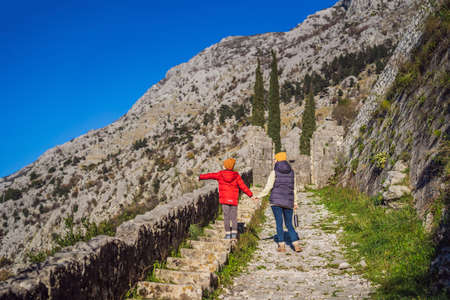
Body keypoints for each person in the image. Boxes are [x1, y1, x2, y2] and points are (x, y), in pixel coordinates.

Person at [199, 158, 257, 239]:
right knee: (233, 217)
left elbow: (210, 175)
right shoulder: (236, 176)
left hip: (224, 200)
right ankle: (234, 234)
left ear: (225, 166)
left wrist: (200, 177)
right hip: (233, 200)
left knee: (226, 216)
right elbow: (243, 187)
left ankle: (227, 234)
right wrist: (251, 195)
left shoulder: (220, 174)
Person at [256, 152, 302, 252]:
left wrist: (259, 196)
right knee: (289, 224)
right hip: (288, 201)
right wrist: (295, 202)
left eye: (275, 159)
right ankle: (296, 244)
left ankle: (281, 245)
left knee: (279, 223)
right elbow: (294, 188)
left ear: (277, 160)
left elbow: (268, 187)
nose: (274, 161)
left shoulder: (274, 172)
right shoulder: (291, 172)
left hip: (276, 202)